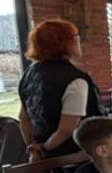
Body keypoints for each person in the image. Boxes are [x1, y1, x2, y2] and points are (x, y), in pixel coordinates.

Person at [18, 18, 104, 161]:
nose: (79, 41)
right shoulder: (74, 79)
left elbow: (23, 118)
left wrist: (33, 147)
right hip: (74, 156)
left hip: (44, 154)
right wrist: (43, 149)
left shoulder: (30, 73)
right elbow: (67, 130)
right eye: (76, 38)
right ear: (66, 43)